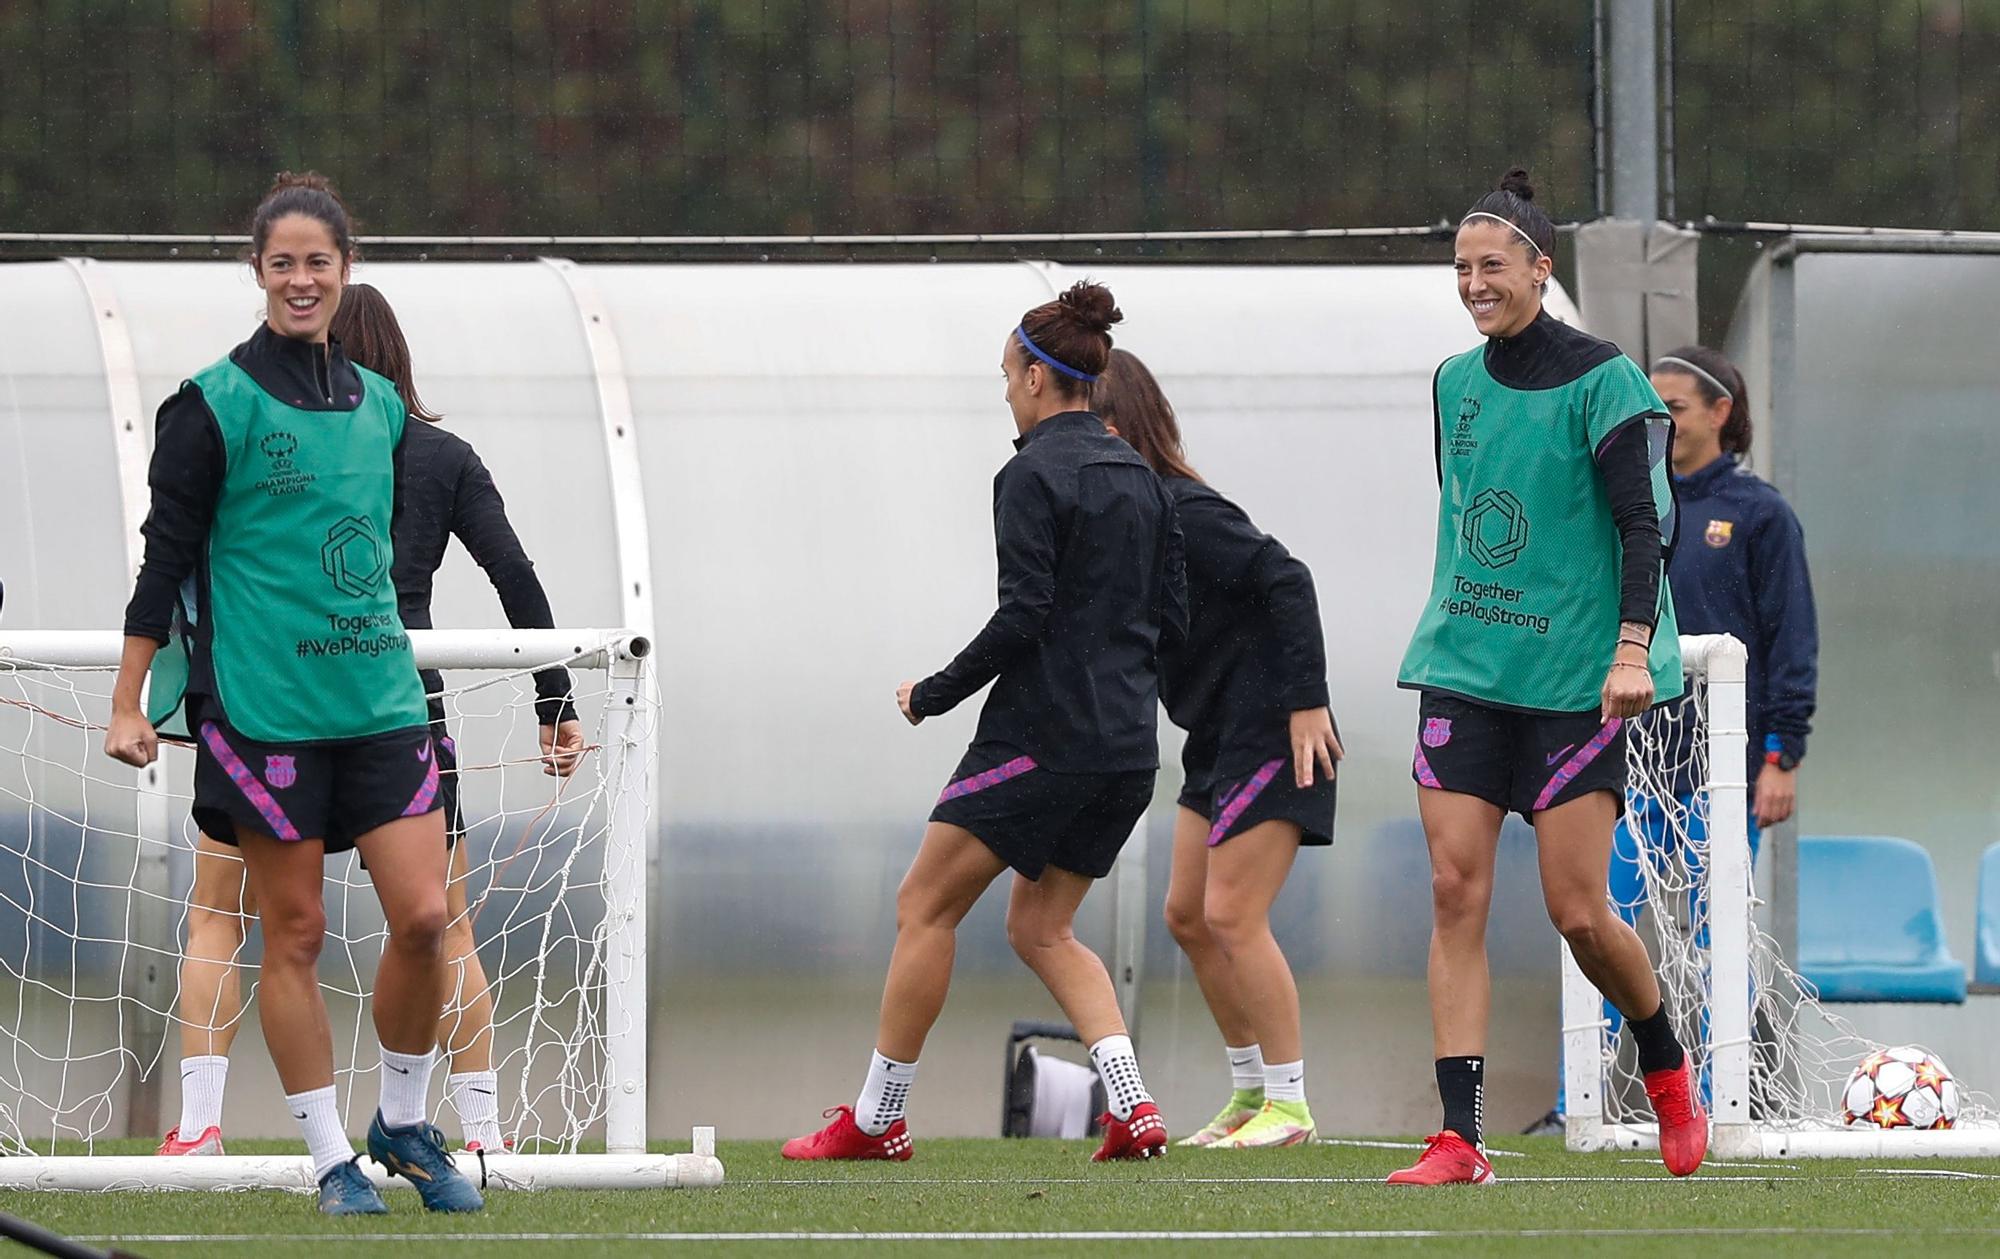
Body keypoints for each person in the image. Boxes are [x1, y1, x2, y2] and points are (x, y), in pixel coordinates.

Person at [105, 173, 483, 1215]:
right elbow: (162, 561)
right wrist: (131, 699)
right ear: (258, 272)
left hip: (382, 703)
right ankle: (326, 1156)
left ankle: (402, 1122)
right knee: (299, 931)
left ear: (344, 271)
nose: (302, 279)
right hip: (264, 715)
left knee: (420, 917)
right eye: (284, 263)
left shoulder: (383, 406)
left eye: (320, 261)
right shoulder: (210, 404)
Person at [155, 282, 587, 1161]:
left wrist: (178, 680)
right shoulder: (442, 454)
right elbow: (515, 573)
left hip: (271, 699)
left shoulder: (268, 437)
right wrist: (555, 697)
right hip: (400, 701)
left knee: (220, 917)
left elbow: (185, 554)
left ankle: (199, 1126)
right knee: (445, 923)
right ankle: (483, 1138)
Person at [782, 282, 1185, 1163]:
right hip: (1127, 753)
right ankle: (1134, 1105)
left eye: (1006, 375)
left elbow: (1023, 613)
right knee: (1040, 926)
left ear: (1039, 380)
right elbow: (1175, 622)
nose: (1004, 390)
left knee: (922, 903)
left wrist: (933, 691)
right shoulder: (1146, 484)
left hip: (1041, 742)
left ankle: (878, 1117)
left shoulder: (1030, 472)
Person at [1390, 168, 1706, 1185]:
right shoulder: (1451, 382)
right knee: (1451, 889)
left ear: (1539, 266)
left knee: (1576, 909)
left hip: (1575, 680)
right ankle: (1460, 1135)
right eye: (1459, 269)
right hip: (1465, 669)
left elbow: (1639, 524)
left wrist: (1626, 649)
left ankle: (1662, 1056)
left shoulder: (1604, 379)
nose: (1473, 283)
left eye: (1491, 265)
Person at [1529, 343, 1818, 1132]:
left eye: (1676, 408)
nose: (1661, 422)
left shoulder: (1760, 514)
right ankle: (1572, 1102)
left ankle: (1737, 1091)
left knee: (1721, 935)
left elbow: (1791, 643)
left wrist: (1780, 755)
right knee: (1592, 919)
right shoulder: (1632, 504)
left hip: (1717, 775)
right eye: (1651, 410)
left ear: (1721, 412)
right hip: (1626, 765)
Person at [1092, 349, 1342, 1149]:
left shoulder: (1186, 510)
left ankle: (1291, 1105)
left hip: (1273, 724)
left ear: (1116, 428)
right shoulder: (1123, 526)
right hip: (1217, 737)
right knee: (1187, 915)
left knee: (1233, 912)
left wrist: (1308, 701)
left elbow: (1289, 577)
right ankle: (1249, 1093)